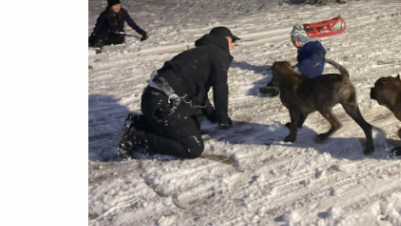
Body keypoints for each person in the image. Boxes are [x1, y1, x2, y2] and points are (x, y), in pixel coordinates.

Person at [117, 27, 239, 160]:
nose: (233, 45)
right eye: (232, 41)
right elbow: (220, 87)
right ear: (225, 39)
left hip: (153, 98)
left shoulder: (202, 53)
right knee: (193, 148)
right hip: (164, 103)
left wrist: (212, 115)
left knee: (196, 119)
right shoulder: (218, 54)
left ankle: (140, 122)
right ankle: (135, 136)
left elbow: (199, 94)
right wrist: (223, 116)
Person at [259, 24, 326, 97]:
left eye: (298, 40)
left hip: (311, 73)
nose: (296, 43)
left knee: (286, 74)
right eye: (294, 41)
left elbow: (316, 57)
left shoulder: (312, 47)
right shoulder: (303, 49)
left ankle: (275, 87)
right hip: (309, 71)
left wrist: (299, 67)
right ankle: (274, 86)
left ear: (303, 39)